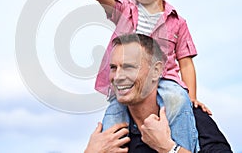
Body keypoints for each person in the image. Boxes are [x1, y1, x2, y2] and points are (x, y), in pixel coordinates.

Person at [63, 0, 209, 152]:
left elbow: (185, 62)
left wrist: (191, 97)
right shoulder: (126, 9)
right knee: (113, 117)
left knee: (179, 101)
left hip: (165, 81)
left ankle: (184, 148)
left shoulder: (177, 22)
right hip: (126, 83)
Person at [84, 34, 232, 153]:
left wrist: (168, 148)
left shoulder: (191, 117)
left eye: (129, 67)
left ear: (156, 71)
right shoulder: (111, 135)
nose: (117, 77)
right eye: (113, 67)